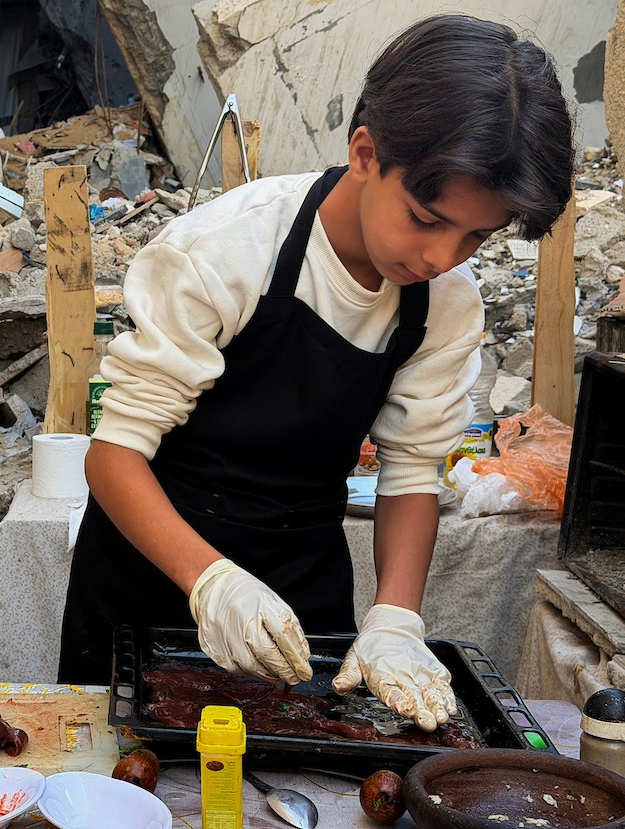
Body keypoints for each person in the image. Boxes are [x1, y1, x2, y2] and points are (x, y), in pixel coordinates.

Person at [56, 14, 574, 732]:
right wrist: (212, 583)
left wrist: (395, 615)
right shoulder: (224, 252)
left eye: (475, 236)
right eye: (426, 217)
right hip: (150, 569)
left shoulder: (445, 305)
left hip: (304, 581)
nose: (440, 257)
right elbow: (114, 456)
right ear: (366, 152)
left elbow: (412, 474)